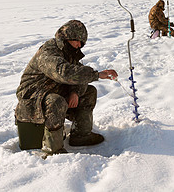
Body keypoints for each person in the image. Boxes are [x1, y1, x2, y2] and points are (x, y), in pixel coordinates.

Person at [15, 20, 118, 155]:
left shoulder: (69, 52)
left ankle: (81, 135)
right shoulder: (49, 52)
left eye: (82, 43)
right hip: (33, 95)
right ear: (67, 37)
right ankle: (53, 150)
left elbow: (78, 72)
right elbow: (64, 73)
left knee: (89, 91)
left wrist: (74, 91)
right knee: (56, 102)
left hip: (53, 89)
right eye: (77, 40)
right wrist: (97, 75)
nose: (79, 45)